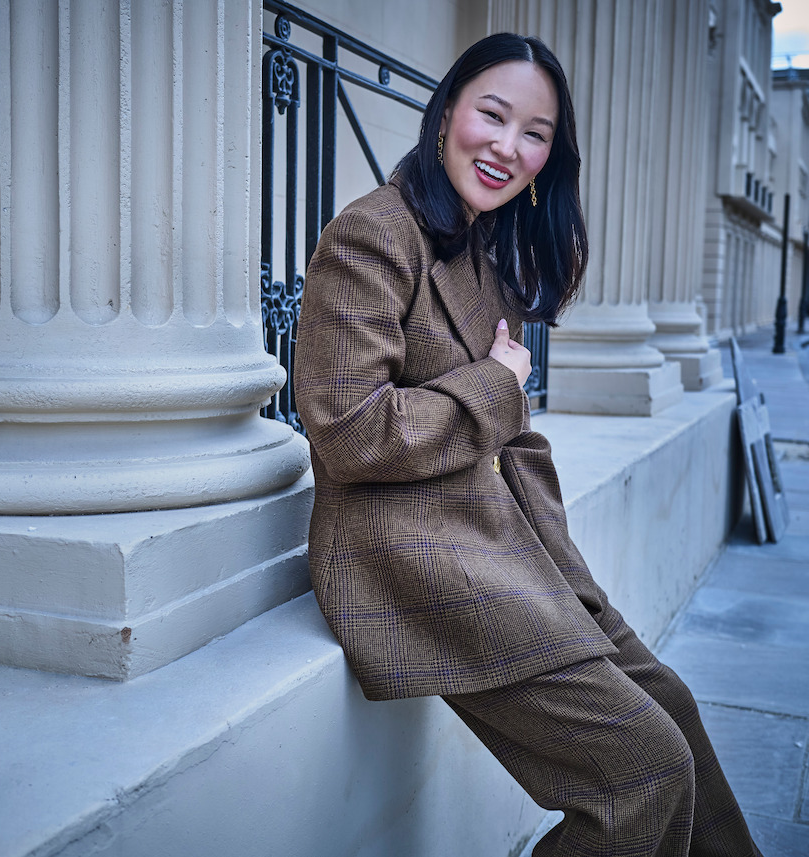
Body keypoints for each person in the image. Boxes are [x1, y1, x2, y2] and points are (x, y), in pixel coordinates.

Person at [292, 33, 762, 857]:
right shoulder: (372, 234)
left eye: (536, 133)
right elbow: (347, 431)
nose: (509, 147)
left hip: (507, 549)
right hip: (411, 558)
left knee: (674, 709)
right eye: (493, 115)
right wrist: (496, 385)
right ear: (445, 116)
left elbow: (514, 449)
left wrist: (574, 582)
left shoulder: (474, 248)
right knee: (643, 774)